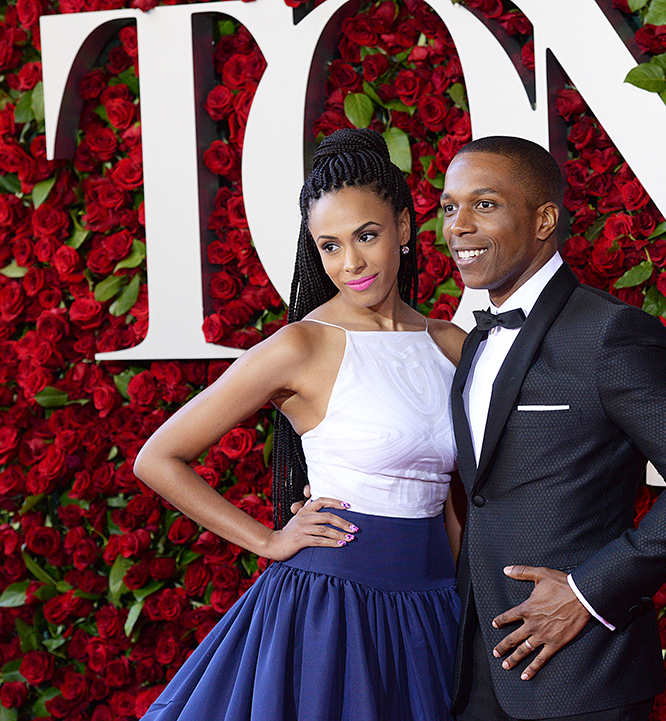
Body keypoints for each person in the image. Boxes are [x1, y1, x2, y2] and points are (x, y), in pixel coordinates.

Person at [133, 128, 467, 721]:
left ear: (405, 228)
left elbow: (456, 500)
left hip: (435, 605)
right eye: (330, 246)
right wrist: (268, 540)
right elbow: (157, 458)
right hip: (332, 609)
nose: (351, 262)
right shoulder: (300, 346)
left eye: (367, 236)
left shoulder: (452, 345)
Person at [441, 136, 666, 721]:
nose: (458, 226)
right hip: (477, 661)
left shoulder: (610, 333)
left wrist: (587, 591)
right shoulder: (477, 339)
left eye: (484, 205)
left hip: (583, 672)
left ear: (544, 219)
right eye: (450, 207)